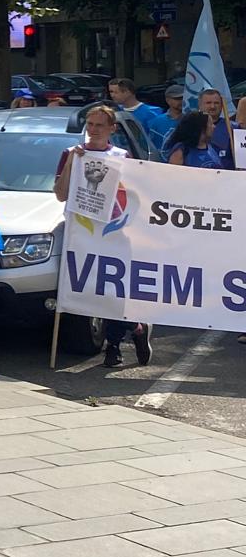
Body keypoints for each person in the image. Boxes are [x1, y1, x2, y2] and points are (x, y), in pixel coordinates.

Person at [54, 102, 149, 369]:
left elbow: (132, 195)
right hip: (83, 232)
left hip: (115, 232)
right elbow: (60, 193)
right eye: (90, 125)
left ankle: (114, 345)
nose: (94, 130)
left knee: (114, 291)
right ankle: (137, 328)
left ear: (111, 129)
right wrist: (73, 162)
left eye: (99, 125)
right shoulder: (71, 154)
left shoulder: (122, 156)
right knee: (91, 290)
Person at [108, 78, 173, 153]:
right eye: (111, 92)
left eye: (116, 92)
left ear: (128, 92)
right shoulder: (113, 112)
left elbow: (156, 140)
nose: (112, 95)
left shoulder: (151, 113)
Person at [197, 88, 237, 169]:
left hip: (226, 176)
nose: (212, 106)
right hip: (198, 175)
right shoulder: (191, 127)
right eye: (208, 103)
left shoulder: (233, 127)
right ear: (200, 105)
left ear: (222, 106)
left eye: (216, 103)